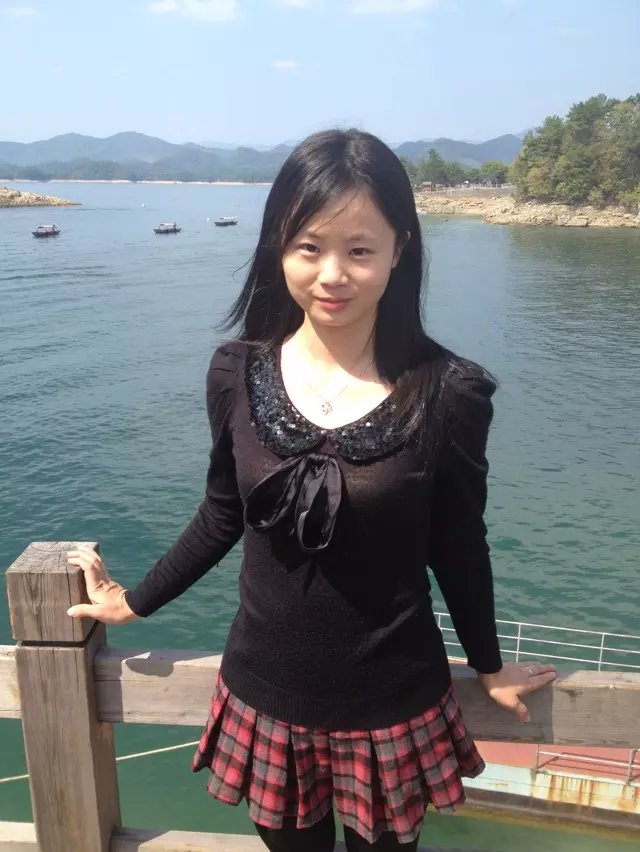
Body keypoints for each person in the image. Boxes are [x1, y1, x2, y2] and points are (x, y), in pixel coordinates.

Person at [66, 129, 557, 851]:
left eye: (359, 250)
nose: (332, 275)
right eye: (309, 247)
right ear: (279, 248)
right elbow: (222, 513)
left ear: (400, 249)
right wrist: (135, 601)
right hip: (266, 694)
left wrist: (487, 665)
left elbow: (457, 543)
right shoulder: (237, 372)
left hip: (392, 703)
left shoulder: (448, 392)